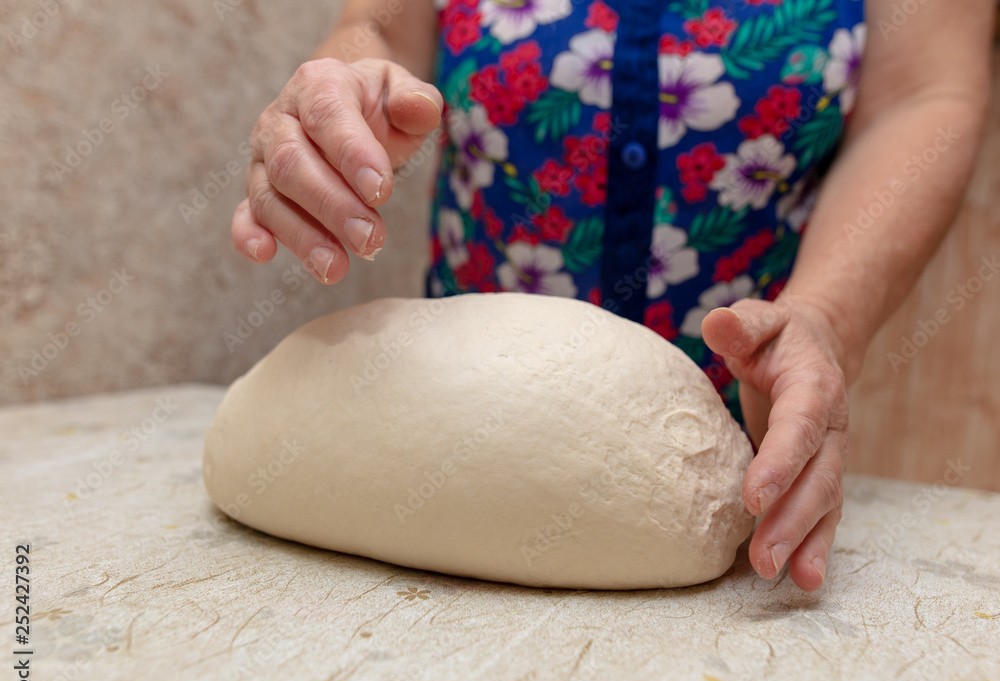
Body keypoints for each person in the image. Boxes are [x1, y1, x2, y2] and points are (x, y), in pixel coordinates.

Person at [230, 0, 993, 591]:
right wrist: (348, 79)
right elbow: (381, 26)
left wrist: (826, 316)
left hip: (743, 432)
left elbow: (920, 94)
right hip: (442, 430)